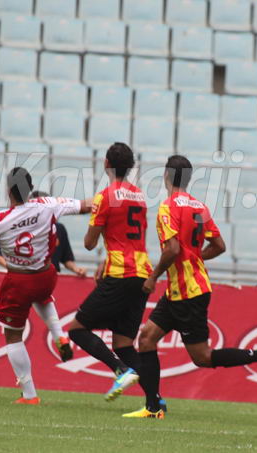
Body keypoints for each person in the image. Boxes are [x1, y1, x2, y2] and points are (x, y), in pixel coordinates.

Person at [124, 155, 257, 419]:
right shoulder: (200, 207)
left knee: (202, 357)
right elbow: (219, 246)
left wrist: (154, 275)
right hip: (183, 289)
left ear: (166, 175)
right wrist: (195, 257)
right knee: (146, 338)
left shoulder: (168, 207)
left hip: (189, 293)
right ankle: (153, 407)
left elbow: (173, 248)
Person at [0, 168, 92, 404]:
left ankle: (29, 394)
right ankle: (60, 336)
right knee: (42, 296)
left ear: (8, 192)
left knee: (13, 336)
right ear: (29, 189)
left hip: (18, 280)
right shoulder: (47, 204)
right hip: (47, 275)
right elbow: (85, 206)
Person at [65, 142, 151, 402]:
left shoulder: (104, 197)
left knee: (77, 329)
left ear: (106, 164)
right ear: (131, 166)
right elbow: (135, 238)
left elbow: (89, 244)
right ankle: (155, 399)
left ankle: (121, 370)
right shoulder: (140, 196)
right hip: (142, 272)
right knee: (124, 343)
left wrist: (102, 244)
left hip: (120, 273)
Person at [0, 191, 88, 278]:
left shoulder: (60, 229)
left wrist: (76, 269)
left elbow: (66, 259)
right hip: (29, 278)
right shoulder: (22, 229)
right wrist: (16, 270)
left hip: (52, 279)